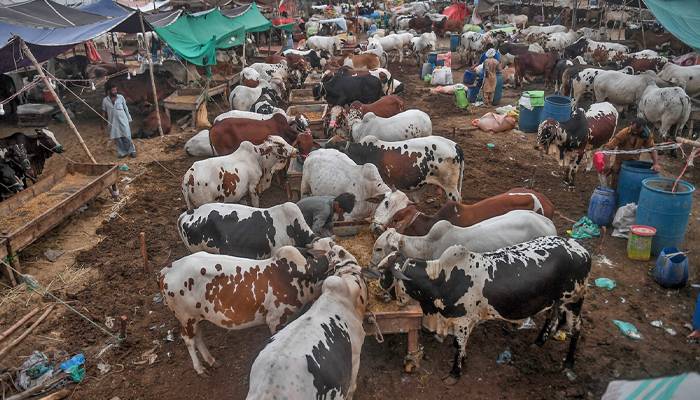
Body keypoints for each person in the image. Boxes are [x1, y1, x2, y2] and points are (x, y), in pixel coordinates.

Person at [603, 118, 661, 187]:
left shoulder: (646, 134)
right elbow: (608, 148)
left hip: (634, 164)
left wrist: (656, 164)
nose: (635, 132)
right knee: (615, 185)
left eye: (638, 131)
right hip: (619, 163)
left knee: (631, 186)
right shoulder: (624, 133)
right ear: (631, 124)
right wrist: (607, 164)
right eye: (634, 130)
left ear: (643, 128)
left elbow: (652, 149)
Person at [102, 83, 136, 158]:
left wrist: (129, 118)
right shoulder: (105, 100)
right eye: (113, 90)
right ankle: (122, 152)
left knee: (127, 136)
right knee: (118, 138)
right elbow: (104, 112)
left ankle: (132, 151)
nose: (115, 91)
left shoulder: (121, 97)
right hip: (112, 122)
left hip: (123, 120)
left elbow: (126, 108)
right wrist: (103, 123)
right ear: (109, 91)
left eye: (116, 90)